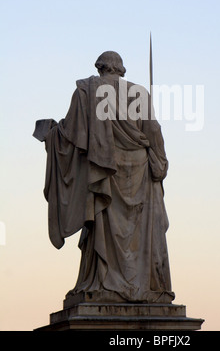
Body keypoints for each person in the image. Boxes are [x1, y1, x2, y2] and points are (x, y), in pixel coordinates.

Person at [33, 51, 175, 304]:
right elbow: (153, 130)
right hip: (140, 171)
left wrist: (52, 133)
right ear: (121, 70)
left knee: (104, 225)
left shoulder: (86, 91)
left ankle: (103, 282)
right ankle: (142, 284)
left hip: (104, 171)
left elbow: (71, 135)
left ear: (100, 68)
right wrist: (160, 162)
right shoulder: (138, 92)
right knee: (139, 234)